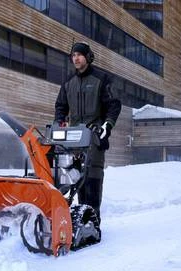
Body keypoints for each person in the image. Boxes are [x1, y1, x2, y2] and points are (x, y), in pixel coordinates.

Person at [54, 41, 121, 233]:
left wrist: (107, 125)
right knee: (71, 179)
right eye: (73, 55)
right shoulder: (68, 83)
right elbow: (60, 106)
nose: (75, 58)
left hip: (94, 138)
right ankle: (75, 220)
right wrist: (60, 122)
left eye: (79, 55)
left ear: (88, 57)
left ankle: (93, 222)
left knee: (92, 179)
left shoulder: (101, 79)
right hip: (73, 141)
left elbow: (114, 105)